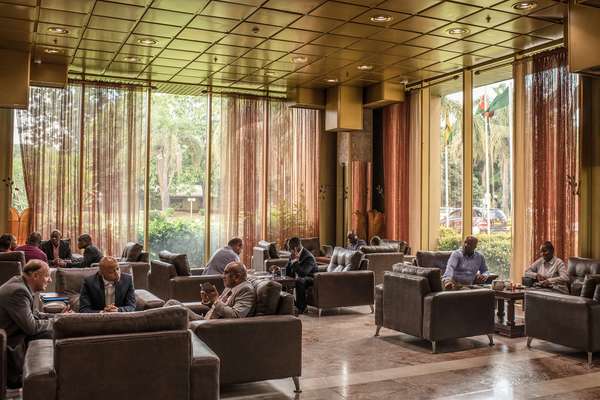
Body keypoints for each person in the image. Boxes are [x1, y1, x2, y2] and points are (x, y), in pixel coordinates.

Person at [0, 260, 54, 388]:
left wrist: (58, 317)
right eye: (47, 275)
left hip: (12, 334)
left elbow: (34, 314)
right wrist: (56, 323)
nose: (50, 280)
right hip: (9, 342)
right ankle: (42, 379)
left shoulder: (20, 284)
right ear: (35, 276)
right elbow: (31, 327)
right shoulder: (18, 291)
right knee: (54, 332)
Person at [167, 261, 256, 320]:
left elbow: (236, 316)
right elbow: (220, 308)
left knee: (172, 307)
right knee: (172, 304)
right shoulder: (230, 286)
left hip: (212, 325)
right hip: (205, 319)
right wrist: (209, 301)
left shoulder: (246, 290)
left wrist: (215, 300)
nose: (222, 276)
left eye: (226, 273)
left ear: (237, 277)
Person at [285, 236, 317, 314]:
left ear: (295, 248)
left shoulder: (308, 257)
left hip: (312, 278)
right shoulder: (292, 254)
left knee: (300, 280)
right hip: (300, 277)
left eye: (290, 249)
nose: (289, 251)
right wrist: (278, 270)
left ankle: (301, 308)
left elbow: (303, 273)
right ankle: (288, 305)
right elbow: (287, 270)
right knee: (282, 281)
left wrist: (294, 261)